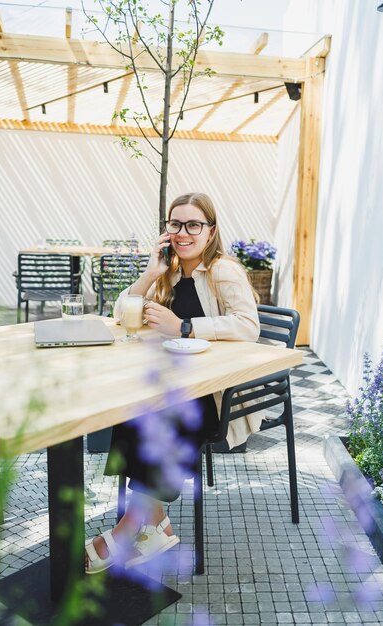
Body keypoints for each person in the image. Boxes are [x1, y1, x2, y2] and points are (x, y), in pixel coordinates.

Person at [85, 192, 261, 574]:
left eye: (193, 224)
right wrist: (150, 271)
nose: (183, 232)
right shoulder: (169, 272)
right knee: (134, 408)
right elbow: (120, 313)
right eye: (175, 224)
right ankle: (157, 523)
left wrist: (182, 326)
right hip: (170, 387)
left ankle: (130, 528)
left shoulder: (222, 270)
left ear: (211, 231)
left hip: (211, 396)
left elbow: (249, 327)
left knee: (159, 418)